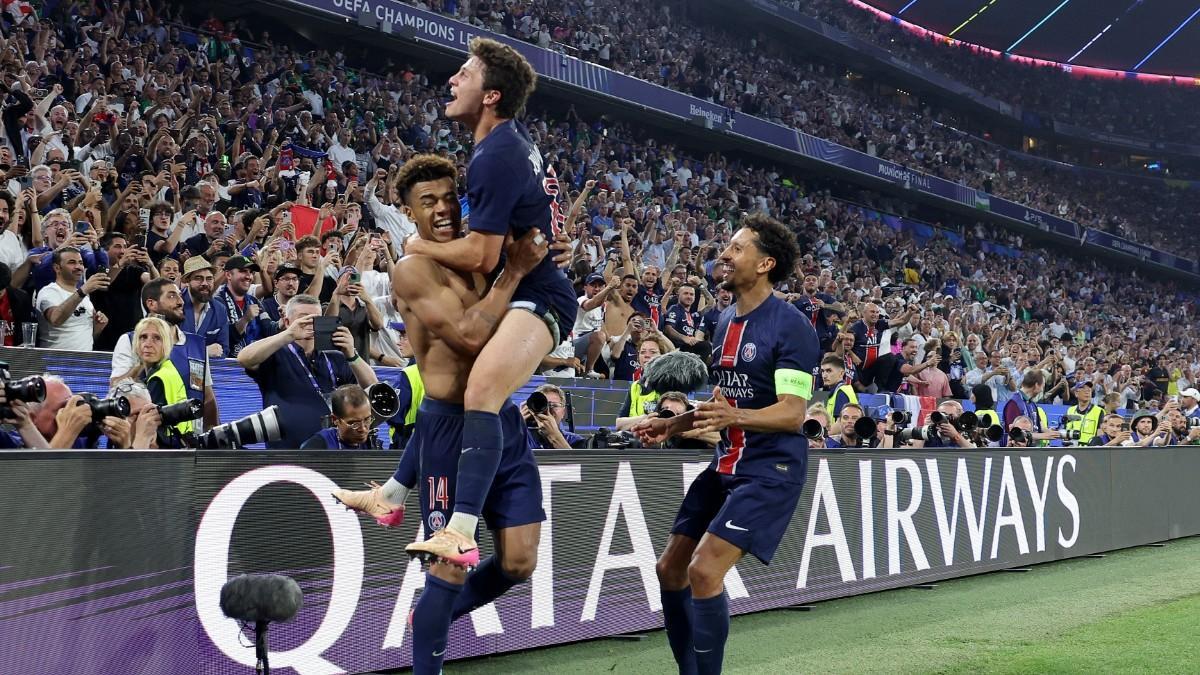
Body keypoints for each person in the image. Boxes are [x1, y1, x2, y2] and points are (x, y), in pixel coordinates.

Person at [331, 154, 548, 675]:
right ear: (407, 211)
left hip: (501, 421)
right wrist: (516, 271)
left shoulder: (478, 254)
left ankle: (428, 614)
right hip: (452, 429)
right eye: (427, 202)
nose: (443, 209)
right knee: (448, 567)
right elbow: (470, 336)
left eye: (450, 197)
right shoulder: (412, 269)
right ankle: (429, 648)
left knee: (520, 562)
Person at [402, 38, 579, 565]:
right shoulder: (508, 144)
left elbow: (481, 255)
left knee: (477, 387)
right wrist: (552, 241)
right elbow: (535, 221)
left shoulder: (494, 155)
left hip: (539, 296)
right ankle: (396, 492)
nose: (452, 80)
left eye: (464, 74)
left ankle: (458, 527)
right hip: (530, 288)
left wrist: (417, 245)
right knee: (459, 391)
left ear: (491, 95)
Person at [633, 213, 819, 675]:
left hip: (771, 468)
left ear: (765, 264)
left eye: (737, 248)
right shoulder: (723, 322)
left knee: (703, 570)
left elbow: (792, 414)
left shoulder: (791, 326)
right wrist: (674, 426)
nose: (725, 254)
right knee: (669, 569)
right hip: (727, 462)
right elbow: (725, 403)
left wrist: (734, 417)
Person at [236, 294, 378, 449]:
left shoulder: (336, 357)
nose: (311, 323)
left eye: (316, 318)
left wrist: (352, 354)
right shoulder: (274, 354)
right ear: (287, 322)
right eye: (304, 318)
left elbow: (373, 389)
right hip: (286, 453)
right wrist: (289, 334)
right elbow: (244, 358)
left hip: (334, 453)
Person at [109, 278, 219, 430]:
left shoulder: (197, 344)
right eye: (172, 296)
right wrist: (142, 363)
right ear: (151, 304)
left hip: (189, 437)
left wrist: (214, 433)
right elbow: (116, 389)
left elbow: (207, 397)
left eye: (180, 295)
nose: (181, 301)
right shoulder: (130, 340)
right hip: (147, 435)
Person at [132, 315, 199, 444]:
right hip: (180, 443)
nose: (148, 344)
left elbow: (149, 428)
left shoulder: (158, 379)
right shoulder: (169, 369)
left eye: (157, 338)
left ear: (167, 344)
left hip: (165, 447)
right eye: (143, 337)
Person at [33, 247, 109, 350]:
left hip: (84, 358)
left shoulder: (85, 297)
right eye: (72, 262)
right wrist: (83, 291)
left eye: (81, 263)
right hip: (56, 358)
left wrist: (98, 326)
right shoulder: (48, 291)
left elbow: (88, 337)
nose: (78, 267)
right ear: (57, 268)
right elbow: (55, 319)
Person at [214, 255, 267, 357]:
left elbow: (268, 329)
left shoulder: (254, 301)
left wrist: (281, 324)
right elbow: (223, 339)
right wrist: (245, 320)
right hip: (228, 363)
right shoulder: (217, 303)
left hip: (254, 362)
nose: (248, 276)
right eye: (243, 271)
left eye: (251, 272)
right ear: (228, 275)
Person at [301, 384, 381, 449]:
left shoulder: (372, 444)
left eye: (367, 419)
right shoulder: (317, 446)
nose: (363, 429)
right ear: (335, 419)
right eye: (354, 423)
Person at [179, 256, 229, 357]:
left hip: (210, 366)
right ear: (188, 281)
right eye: (198, 278)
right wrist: (204, 351)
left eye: (209, 279)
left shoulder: (220, 309)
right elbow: (166, 347)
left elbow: (224, 350)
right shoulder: (175, 306)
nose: (205, 283)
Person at [521, 383, 586, 449]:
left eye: (554, 405)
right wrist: (517, 425)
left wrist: (554, 436)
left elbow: (574, 456)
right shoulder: (520, 437)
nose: (548, 410)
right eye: (543, 405)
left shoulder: (575, 441)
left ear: (563, 412)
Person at [1001, 371, 1058, 446]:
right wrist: (1044, 436)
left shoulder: (1032, 404)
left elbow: (1040, 427)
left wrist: (1055, 433)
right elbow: (1014, 433)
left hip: (1031, 449)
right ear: (1036, 385)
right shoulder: (1014, 403)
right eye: (1043, 386)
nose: (1042, 390)